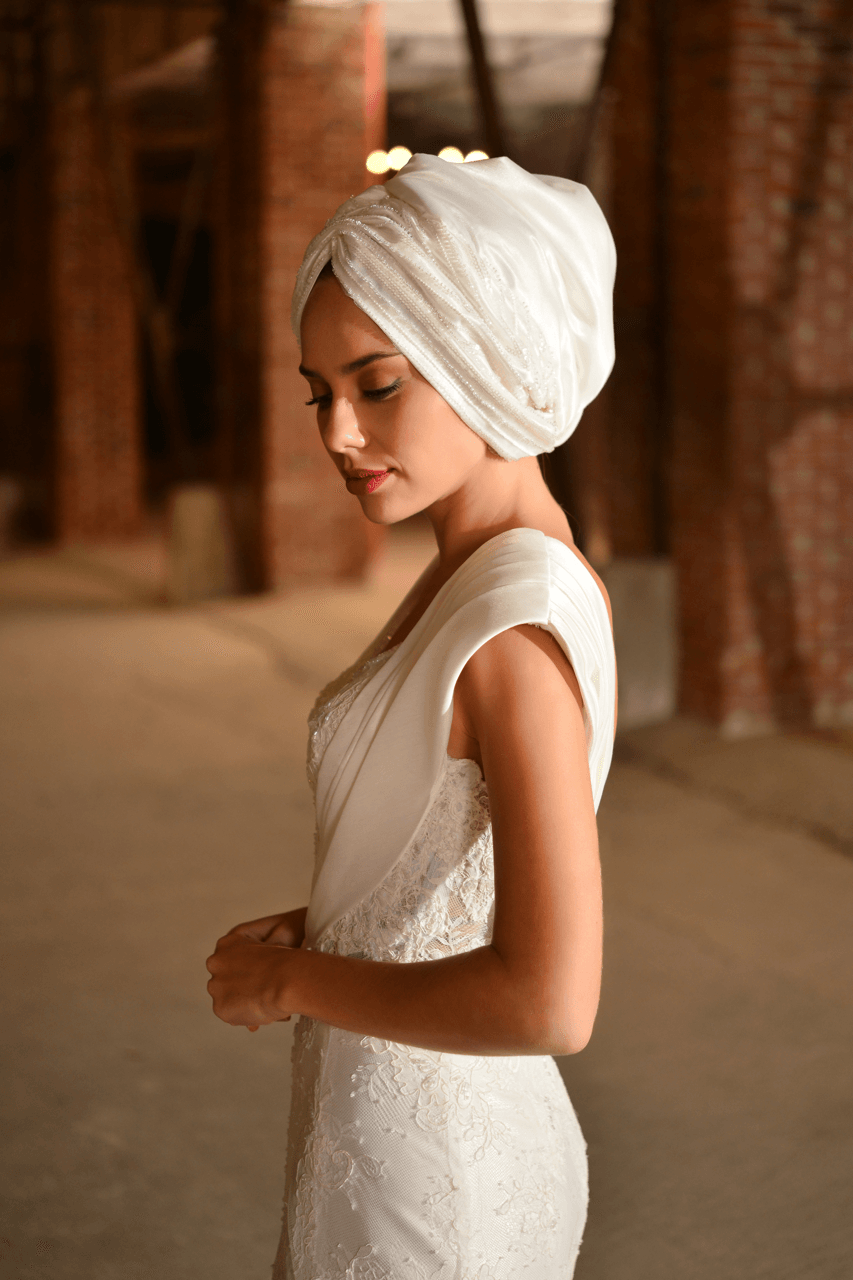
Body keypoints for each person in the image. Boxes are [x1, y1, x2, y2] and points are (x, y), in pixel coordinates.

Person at [206, 152, 617, 1280]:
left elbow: (549, 996)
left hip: (439, 1187)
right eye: (317, 391)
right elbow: (451, 856)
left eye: (375, 384)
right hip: (380, 1123)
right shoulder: (474, 571)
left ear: (485, 355)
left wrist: (289, 982)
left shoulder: (511, 626)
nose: (337, 431)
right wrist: (326, 923)